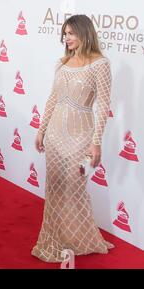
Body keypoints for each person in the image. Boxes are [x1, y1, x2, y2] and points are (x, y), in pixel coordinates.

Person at [32, 15, 114, 263]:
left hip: (81, 135)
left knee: (75, 187)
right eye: (64, 33)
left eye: (70, 33)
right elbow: (52, 99)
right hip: (56, 132)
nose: (66, 38)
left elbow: (103, 105)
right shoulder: (62, 63)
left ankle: (81, 236)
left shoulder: (100, 64)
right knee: (55, 187)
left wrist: (96, 141)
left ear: (84, 33)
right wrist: (41, 129)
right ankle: (56, 237)